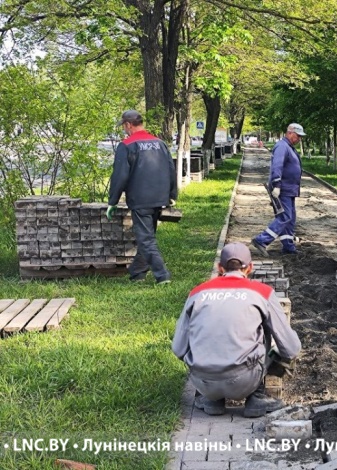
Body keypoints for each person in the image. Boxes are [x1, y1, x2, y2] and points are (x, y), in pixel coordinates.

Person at [171, 243, 301, 417]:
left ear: (219, 267)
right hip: (245, 380)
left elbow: (178, 348)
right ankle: (257, 396)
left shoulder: (197, 292)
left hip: (202, 381)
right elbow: (291, 348)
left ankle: (212, 400)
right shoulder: (262, 292)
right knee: (272, 338)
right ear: (250, 268)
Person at [107, 110, 178, 284]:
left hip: (140, 199)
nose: (124, 130)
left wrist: (112, 201)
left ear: (128, 125)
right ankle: (137, 272)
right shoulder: (159, 143)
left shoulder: (127, 145)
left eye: (124, 126)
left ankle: (162, 275)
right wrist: (172, 194)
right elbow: (171, 169)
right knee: (148, 235)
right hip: (160, 198)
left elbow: (120, 176)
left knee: (146, 239)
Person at [251, 123, 305, 256]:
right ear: (290, 133)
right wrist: (276, 185)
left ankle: (288, 246)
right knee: (284, 216)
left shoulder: (289, 147)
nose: (299, 139)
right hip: (283, 188)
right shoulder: (282, 146)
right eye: (298, 136)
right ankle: (261, 240)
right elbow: (277, 166)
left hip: (290, 189)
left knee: (290, 218)